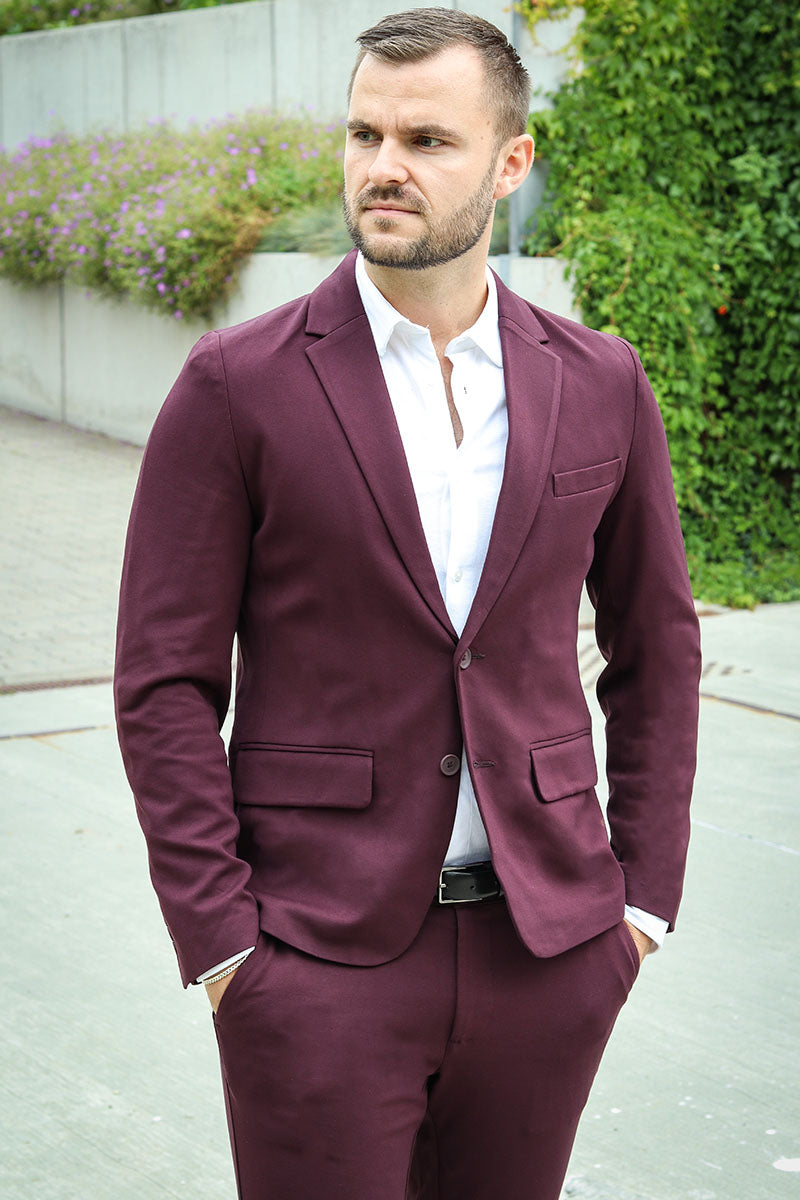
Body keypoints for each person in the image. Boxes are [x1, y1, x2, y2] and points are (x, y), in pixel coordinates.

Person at [114, 8, 701, 1199]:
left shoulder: (600, 382)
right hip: (313, 957)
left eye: (426, 140)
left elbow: (656, 648)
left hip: (546, 950)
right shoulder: (235, 387)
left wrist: (640, 904)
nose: (382, 166)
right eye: (364, 134)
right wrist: (223, 945)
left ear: (508, 162)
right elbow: (163, 680)